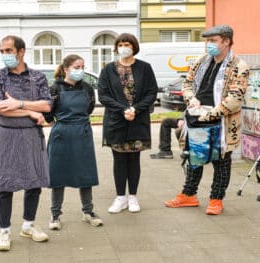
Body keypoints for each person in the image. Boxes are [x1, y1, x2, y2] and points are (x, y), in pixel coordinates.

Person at [164, 25, 249, 215]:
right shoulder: (202, 61)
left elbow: (235, 98)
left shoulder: (239, 66)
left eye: (213, 40)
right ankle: (189, 195)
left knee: (221, 162)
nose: (208, 44)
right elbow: (187, 83)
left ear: (226, 41)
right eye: (207, 40)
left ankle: (216, 199)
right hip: (196, 116)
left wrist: (210, 114)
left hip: (222, 121)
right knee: (195, 158)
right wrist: (190, 98)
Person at [0, 35, 52, 251]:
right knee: (5, 184)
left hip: (32, 137)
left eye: (8, 50)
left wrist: (20, 103)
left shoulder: (38, 77)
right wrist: (32, 113)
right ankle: (4, 231)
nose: (5, 55)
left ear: (21, 51)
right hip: (7, 134)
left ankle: (28, 225)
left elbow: (48, 106)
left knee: (34, 182)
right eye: (2, 51)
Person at [98, 33, 158, 214]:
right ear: (116, 47)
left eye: (127, 44)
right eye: (121, 44)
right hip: (116, 120)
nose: (124, 47)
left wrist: (136, 109)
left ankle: (132, 196)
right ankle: (120, 197)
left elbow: (151, 92)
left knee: (134, 159)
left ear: (134, 47)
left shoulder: (145, 68)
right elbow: (103, 95)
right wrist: (123, 109)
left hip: (137, 120)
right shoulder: (108, 69)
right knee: (119, 159)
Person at [44, 54, 102, 230]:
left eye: (82, 67)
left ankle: (88, 212)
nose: (80, 71)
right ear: (66, 69)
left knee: (86, 173)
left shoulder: (87, 88)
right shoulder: (55, 89)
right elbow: (48, 114)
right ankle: (55, 215)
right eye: (77, 67)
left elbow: (90, 108)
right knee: (58, 175)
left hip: (82, 133)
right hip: (61, 134)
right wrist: (59, 124)